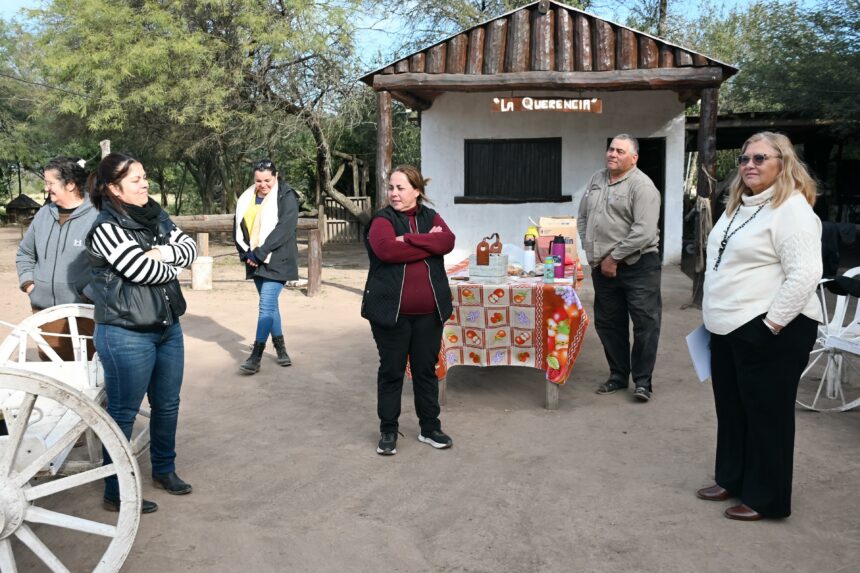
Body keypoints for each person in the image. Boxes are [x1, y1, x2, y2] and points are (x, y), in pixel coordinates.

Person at [699, 132, 821, 521]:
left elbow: (805, 274)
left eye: (760, 158)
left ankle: (766, 498)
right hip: (730, 327)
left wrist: (771, 325)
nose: (749, 165)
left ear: (783, 164)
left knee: (768, 416)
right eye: (744, 159)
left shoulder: (792, 209)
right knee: (733, 409)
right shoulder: (740, 205)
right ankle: (732, 478)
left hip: (772, 328)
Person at [85, 152, 198, 514]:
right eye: (136, 180)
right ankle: (116, 491)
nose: (145, 184)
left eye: (144, 176)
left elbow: (191, 249)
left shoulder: (157, 215)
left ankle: (164, 469)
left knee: (168, 404)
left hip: (167, 327)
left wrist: (160, 253)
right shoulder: (105, 228)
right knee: (123, 412)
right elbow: (139, 270)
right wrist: (171, 264)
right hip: (125, 333)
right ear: (114, 189)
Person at [361, 165, 455, 455]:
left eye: (400, 188)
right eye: (391, 187)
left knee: (426, 371)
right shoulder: (382, 220)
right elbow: (387, 251)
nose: (394, 193)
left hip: (429, 314)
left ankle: (430, 428)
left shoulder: (430, 216)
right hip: (391, 314)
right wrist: (430, 244)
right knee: (392, 371)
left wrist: (410, 239)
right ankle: (388, 430)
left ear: (417, 190)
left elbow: (448, 241)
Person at [577, 134, 662, 402]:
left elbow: (644, 231)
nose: (612, 154)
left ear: (634, 158)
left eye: (620, 151)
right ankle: (617, 375)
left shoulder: (643, 186)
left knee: (645, 324)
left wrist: (613, 258)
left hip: (638, 266)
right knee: (609, 323)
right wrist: (591, 250)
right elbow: (583, 216)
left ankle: (643, 382)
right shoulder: (596, 179)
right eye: (611, 149)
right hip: (602, 266)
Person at [15, 157, 98, 360]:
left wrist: (87, 295)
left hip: (83, 313)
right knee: (50, 368)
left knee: (87, 370)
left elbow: (109, 266)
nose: (46, 188)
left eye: (50, 183)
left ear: (70, 184)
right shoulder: (43, 214)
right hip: (44, 311)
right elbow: (25, 253)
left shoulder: (97, 216)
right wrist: (30, 285)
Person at [233, 158, 300, 374]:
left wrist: (261, 253)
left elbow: (285, 229)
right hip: (255, 259)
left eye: (267, 180)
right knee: (271, 307)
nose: (263, 185)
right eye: (258, 180)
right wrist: (246, 254)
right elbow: (239, 225)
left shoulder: (286, 196)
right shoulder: (247, 197)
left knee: (265, 306)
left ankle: (256, 356)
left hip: (277, 259)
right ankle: (281, 350)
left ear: (276, 176)